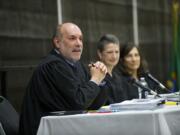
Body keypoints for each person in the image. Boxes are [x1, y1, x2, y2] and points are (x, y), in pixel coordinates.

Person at [19, 22, 109, 135]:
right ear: (57, 42)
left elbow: (93, 104)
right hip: (43, 130)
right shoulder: (54, 66)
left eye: (81, 39)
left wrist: (100, 79)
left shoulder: (76, 65)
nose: (79, 44)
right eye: (72, 38)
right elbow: (78, 103)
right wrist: (95, 80)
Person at [97, 34, 128, 104]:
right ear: (100, 54)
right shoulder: (96, 76)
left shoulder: (118, 77)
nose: (114, 56)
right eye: (110, 52)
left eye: (117, 52)